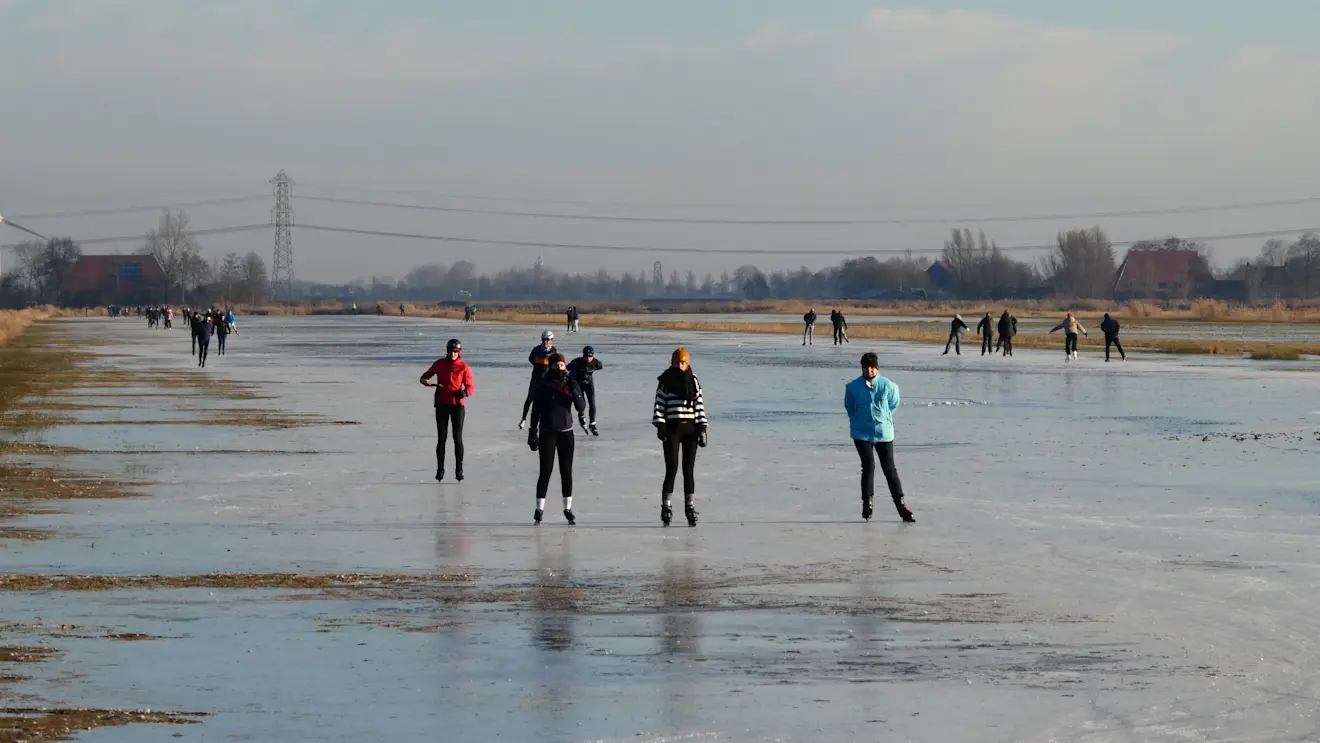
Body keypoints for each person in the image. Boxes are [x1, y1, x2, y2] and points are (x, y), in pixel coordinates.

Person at [844, 352, 915, 523]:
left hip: (883, 432)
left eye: (872, 367)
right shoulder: (852, 387)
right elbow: (850, 407)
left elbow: (893, 405)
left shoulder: (888, 386)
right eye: (866, 367)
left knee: (889, 469)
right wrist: (858, 420)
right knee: (868, 466)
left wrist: (883, 419)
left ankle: (902, 507)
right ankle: (867, 503)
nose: (869, 370)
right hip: (861, 433)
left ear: (877, 368)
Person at [652, 347, 708, 527]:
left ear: (687, 363)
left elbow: (699, 404)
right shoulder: (665, 380)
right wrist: (661, 425)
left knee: (688, 470)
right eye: (677, 362)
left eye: (683, 362)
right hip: (672, 429)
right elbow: (659, 404)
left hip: (690, 430)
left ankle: (689, 506)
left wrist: (702, 427)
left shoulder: (693, 380)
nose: (680, 365)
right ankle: (666, 505)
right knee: (672, 468)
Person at [528, 352, 586, 525]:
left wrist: (574, 389)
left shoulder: (570, 384)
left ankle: (567, 509)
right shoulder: (543, 385)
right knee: (545, 471)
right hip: (547, 432)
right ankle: (539, 509)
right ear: (551, 367)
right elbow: (535, 410)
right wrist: (532, 431)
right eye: (557, 365)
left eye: (562, 365)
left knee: (566, 471)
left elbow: (581, 406)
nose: (561, 368)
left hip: (566, 433)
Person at [421, 338, 475, 482]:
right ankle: (440, 470)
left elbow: (470, 387)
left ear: (459, 352)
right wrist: (426, 382)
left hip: (457, 406)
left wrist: (464, 393)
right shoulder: (440, 364)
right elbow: (425, 377)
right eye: (450, 351)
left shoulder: (464, 367)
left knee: (457, 438)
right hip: (441, 404)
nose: (452, 353)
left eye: (455, 351)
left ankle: (459, 470)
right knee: (442, 439)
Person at [519, 331, 558, 429]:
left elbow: (556, 363)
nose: (545, 342)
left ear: (551, 340)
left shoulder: (554, 351)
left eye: (547, 340)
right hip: (536, 379)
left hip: (547, 380)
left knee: (547, 400)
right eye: (544, 340)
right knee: (530, 398)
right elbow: (531, 359)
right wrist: (538, 366)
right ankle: (523, 419)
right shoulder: (536, 350)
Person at [567, 346, 604, 435]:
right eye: (587, 356)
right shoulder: (577, 362)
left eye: (590, 356)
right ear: (583, 355)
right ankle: (581, 416)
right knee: (581, 403)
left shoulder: (595, 363)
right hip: (578, 383)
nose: (588, 359)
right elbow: (567, 368)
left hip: (589, 383)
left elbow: (600, 366)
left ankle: (592, 424)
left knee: (592, 403)